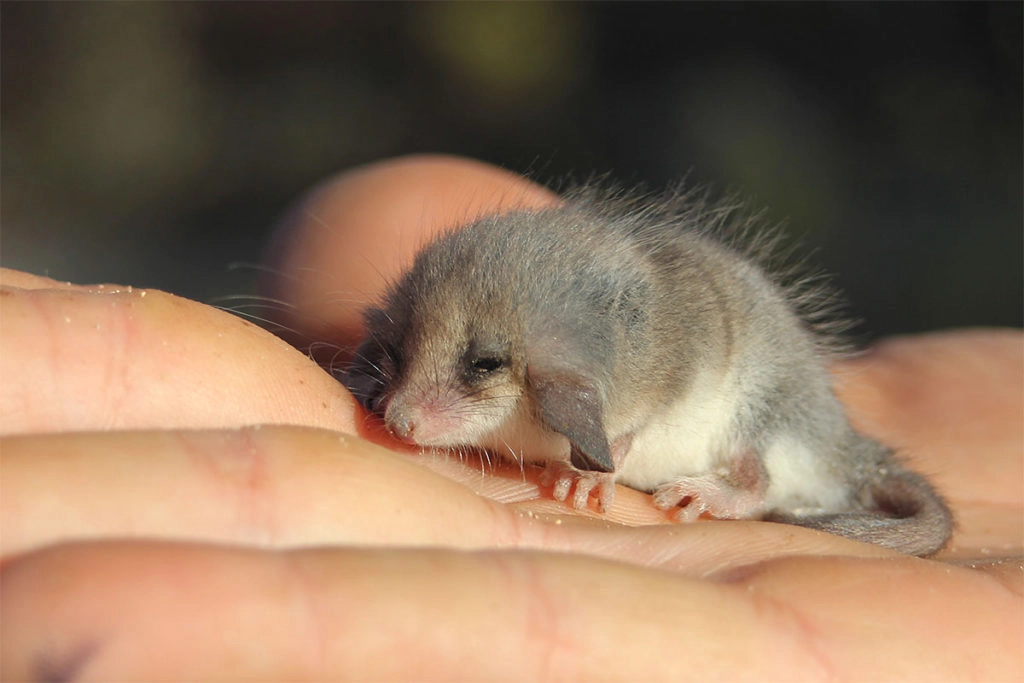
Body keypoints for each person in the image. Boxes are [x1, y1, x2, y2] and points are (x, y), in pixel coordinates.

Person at [2, 155, 1020, 680]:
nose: (408, 417)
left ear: (567, 391)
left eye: (476, 374)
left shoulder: (609, 364)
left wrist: (616, 454)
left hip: (753, 418)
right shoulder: (483, 321)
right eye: (401, 359)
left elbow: (619, 394)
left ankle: (747, 483)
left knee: (769, 433)